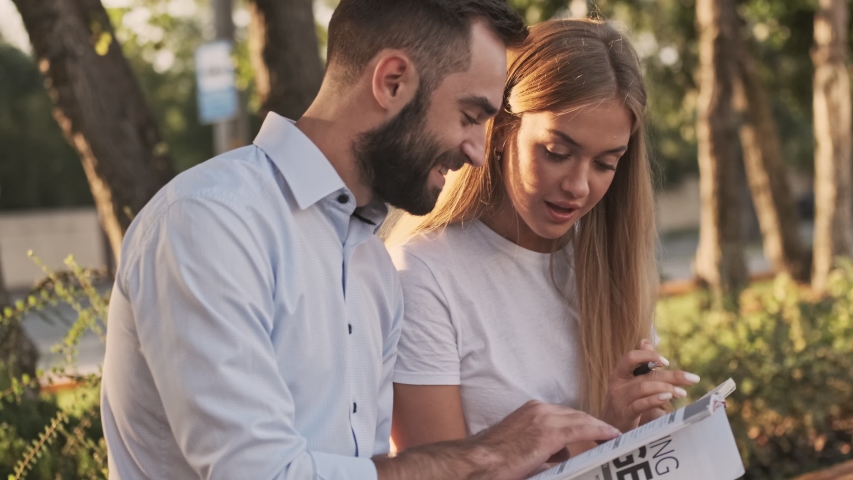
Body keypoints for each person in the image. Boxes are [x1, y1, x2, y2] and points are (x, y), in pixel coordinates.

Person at [100, 2, 622, 479]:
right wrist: (484, 453)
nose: (477, 152)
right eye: (470, 116)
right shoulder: (212, 222)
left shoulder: (371, 264)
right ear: (392, 81)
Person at [387, 18, 701, 454]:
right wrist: (601, 436)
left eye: (606, 164)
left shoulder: (611, 267)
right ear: (501, 130)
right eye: (557, 153)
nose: (578, 186)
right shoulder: (422, 273)